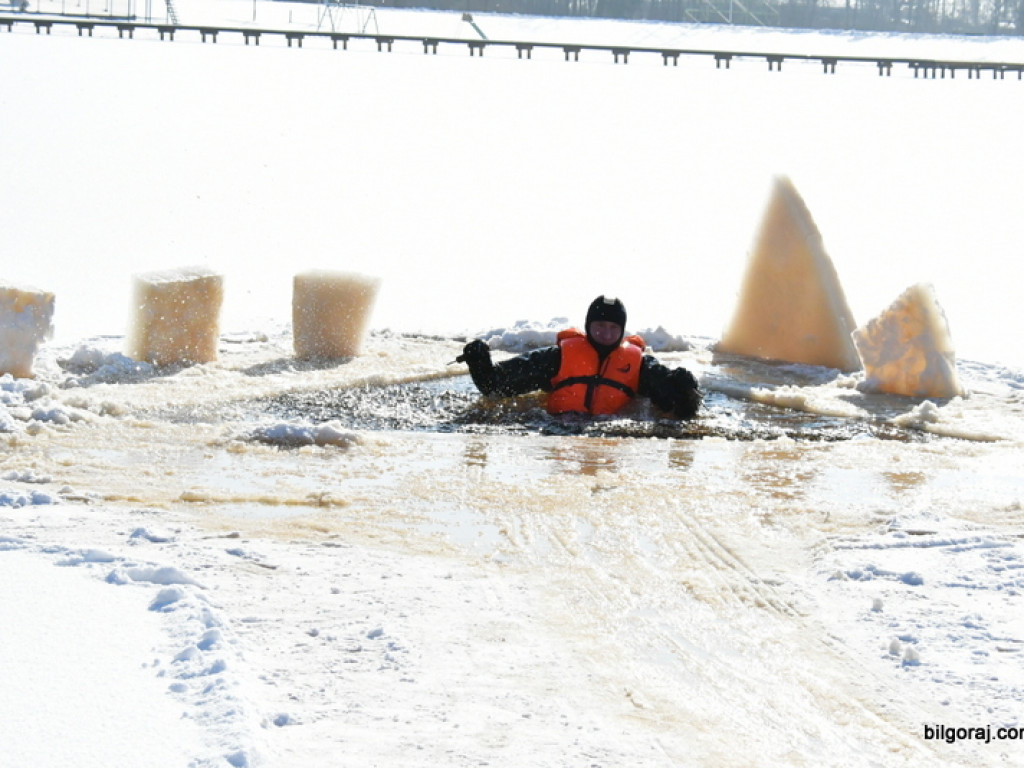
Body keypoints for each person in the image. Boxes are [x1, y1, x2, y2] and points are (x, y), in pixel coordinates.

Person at [457, 295, 702, 419]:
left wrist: (685, 390)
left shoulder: (639, 364)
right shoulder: (558, 357)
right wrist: (480, 362)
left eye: (613, 328)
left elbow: (677, 408)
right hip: (556, 429)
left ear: (622, 330)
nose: (606, 334)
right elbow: (495, 387)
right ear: (588, 325)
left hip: (611, 435)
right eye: (599, 326)